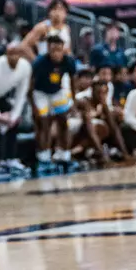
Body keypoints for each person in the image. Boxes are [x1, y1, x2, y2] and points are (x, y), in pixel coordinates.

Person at [0, 43, 31, 174]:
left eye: (17, 54)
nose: (14, 57)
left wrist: (14, 116)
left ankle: (11, 158)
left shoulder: (25, 67)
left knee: (12, 121)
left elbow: (22, 93)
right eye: (11, 53)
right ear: (6, 54)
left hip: (2, 97)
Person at [31, 35, 77, 170]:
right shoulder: (39, 62)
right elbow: (30, 85)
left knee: (64, 122)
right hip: (40, 93)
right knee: (44, 124)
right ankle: (44, 158)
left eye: (59, 49)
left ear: (63, 49)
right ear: (48, 49)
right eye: (53, 50)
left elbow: (73, 80)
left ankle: (64, 156)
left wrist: (72, 100)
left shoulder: (68, 61)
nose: (56, 53)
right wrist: (33, 105)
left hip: (57, 91)